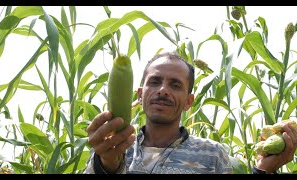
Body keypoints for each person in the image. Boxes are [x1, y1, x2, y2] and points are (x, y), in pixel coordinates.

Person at [84, 52, 297, 174]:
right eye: (155, 81)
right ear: (140, 95)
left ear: (189, 101)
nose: (163, 90)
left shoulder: (212, 154)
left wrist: (263, 170)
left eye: (175, 85)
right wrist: (107, 165)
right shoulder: (111, 149)